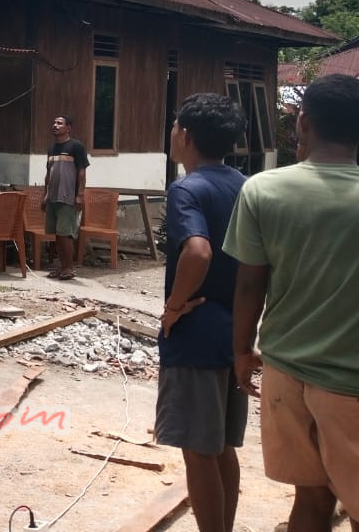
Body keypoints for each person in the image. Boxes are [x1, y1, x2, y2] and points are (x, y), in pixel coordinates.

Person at [224, 74, 359, 532]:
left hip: (285, 372)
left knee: (310, 500)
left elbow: (249, 286)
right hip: (350, 382)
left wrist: (242, 351)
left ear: (302, 122)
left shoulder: (263, 189)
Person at [154, 93, 249, 532]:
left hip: (196, 331)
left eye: (175, 126)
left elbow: (197, 251)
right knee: (222, 446)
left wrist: (174, 307)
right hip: (236, 331)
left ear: (185, 134)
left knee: (197, 449)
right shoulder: (244, 185)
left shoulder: (187, 188)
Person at [43, 115, 89, 280]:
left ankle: (69, 268)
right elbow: (49, 173)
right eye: (54, 122)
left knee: (65, 234)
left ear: (68, 128)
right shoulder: (51, 148)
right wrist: (45, 195)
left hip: (68, 197)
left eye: (59, 123)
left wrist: (80, 195)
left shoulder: (76, 146)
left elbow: (81, 173)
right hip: (53, 197)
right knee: (57, 234)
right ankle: (61, 267)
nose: (55, 125)